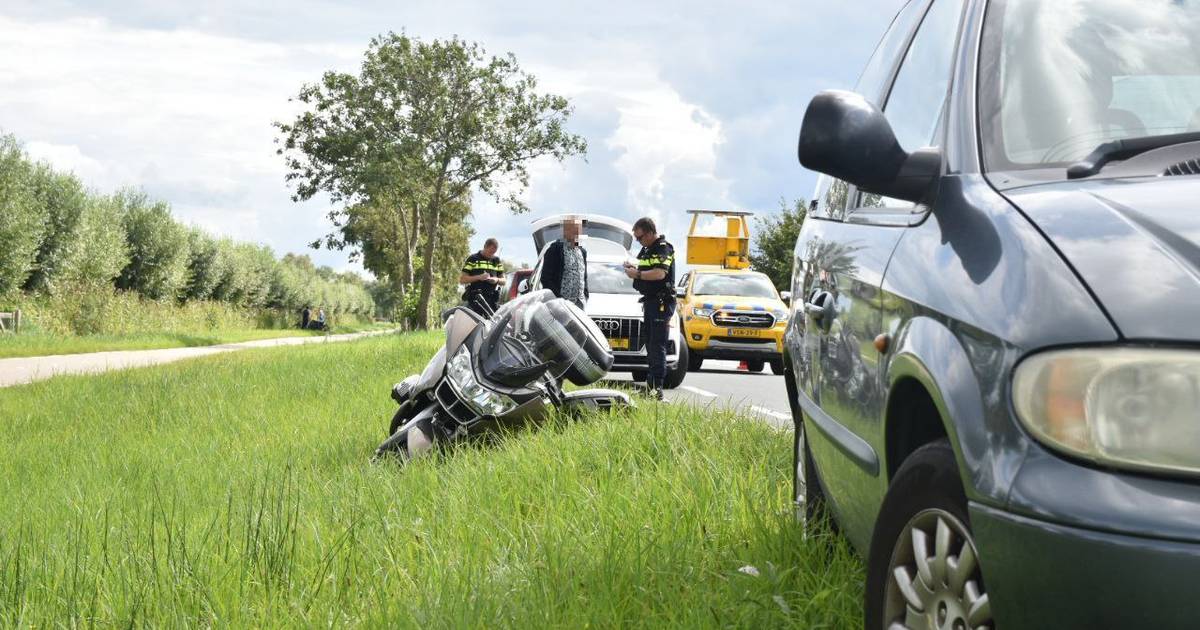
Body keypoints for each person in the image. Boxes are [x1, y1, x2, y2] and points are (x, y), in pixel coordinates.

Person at [624, 217, 675, 400]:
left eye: (640, 237)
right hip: (651, 302)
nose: (639, 241)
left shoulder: (663, 248)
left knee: (657, 345)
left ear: (650, 232)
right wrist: (632, 267)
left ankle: (656, 389)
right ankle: (651, 385)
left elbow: (660, 273)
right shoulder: (647, 249)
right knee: (651, 345)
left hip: (661, 303)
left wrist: (636, 274)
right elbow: (643, 267)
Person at [539, 217, 589, 309]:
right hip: (558, 305)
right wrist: (558, 299)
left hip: (579, 304)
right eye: (573, 229)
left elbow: (584, 278)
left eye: (578, 229)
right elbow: (545, 279)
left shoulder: (582, 252)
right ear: (565, 231)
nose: (576, 233)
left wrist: (585, 296)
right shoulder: (554, 249)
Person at [460, 238, 505, 317]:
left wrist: (496, 280)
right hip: (475, 300)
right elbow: (462, 279)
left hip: (491, 300)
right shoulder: (472, 259)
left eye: (494, 252)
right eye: (490, 251)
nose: (492, 254)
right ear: (485, 246)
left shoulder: (497, 260)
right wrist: (479, 277)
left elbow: (504, 281)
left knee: (494, 325)